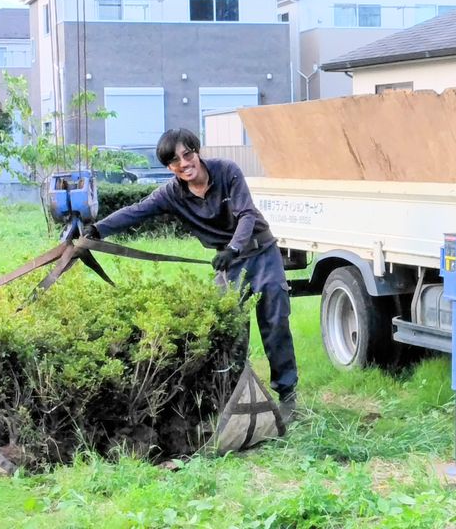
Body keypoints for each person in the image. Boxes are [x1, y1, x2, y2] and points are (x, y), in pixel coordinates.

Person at [85, 128, 299, 421]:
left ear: (196, 152)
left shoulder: (227, 172)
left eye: (188, 155)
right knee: (230, 329)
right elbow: (137, 211)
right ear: (169, 167)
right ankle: (233, 398)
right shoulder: (171, 194)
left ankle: (288, 396)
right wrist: (98, 229)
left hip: (260, 252)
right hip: (227, 263)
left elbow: (247, 214)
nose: (184, 164)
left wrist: (234, 248)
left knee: (275, 322)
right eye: (175, 161)